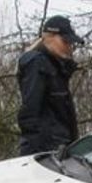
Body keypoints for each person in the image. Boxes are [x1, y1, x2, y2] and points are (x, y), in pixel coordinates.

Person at [16, 15, 83, 156]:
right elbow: (30, 112)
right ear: (49, 37)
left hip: (60, 148)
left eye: (70, 43)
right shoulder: (37, 64)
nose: (69, 47)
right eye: (65, 41)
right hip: (46, 151)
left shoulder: (56, 66)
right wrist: (43, 154)